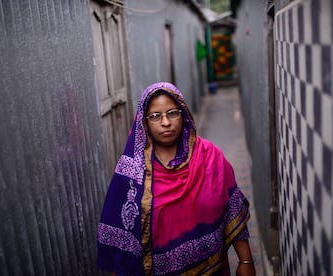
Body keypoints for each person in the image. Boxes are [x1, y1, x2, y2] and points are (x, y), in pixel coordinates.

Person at [97, 82, 255, 275]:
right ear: (143, 121)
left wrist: (245, 260)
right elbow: (120, 238)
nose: (166, 122)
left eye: (172, 113)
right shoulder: (132, 172)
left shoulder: (210, 156)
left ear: (184, 114)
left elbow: (233, 208)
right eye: (155, 116)